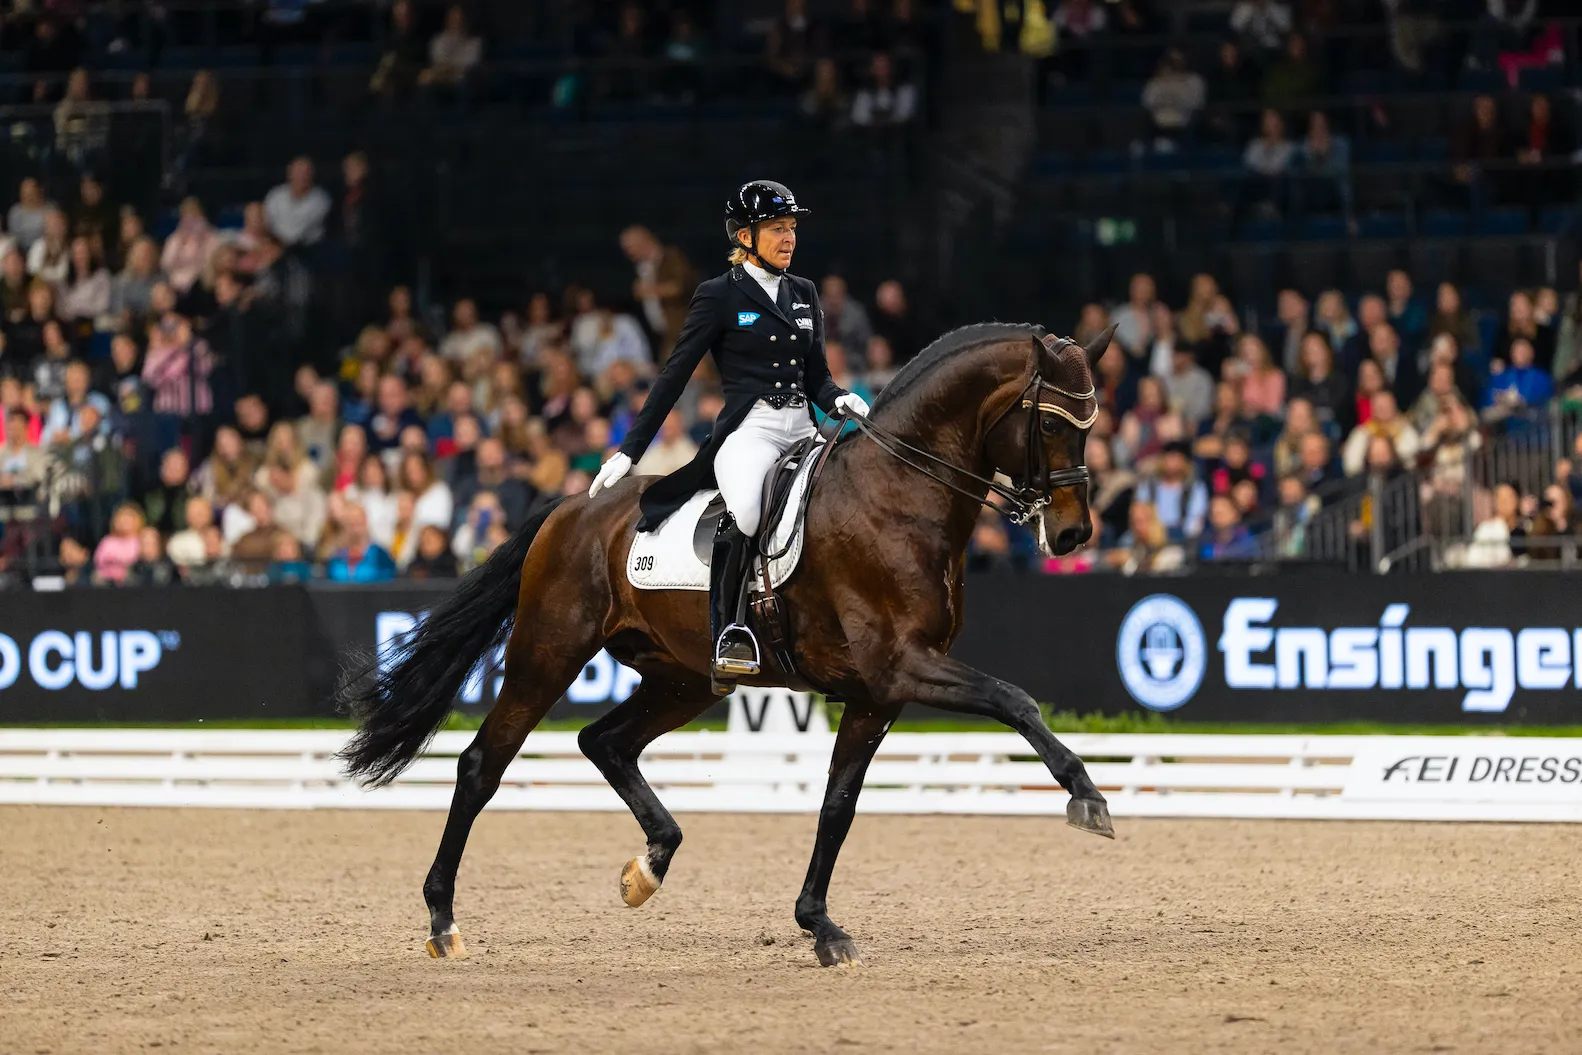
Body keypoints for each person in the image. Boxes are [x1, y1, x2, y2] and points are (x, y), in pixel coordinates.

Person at [588, 180, 867, 689]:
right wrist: (630, 451)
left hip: (804, 427)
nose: (789, 238)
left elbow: (817, 377)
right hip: (751, 432)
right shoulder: (718, 295)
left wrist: (838, 398)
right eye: (777, 229)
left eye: (792, 228)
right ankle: (730, 631)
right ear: (744, 235)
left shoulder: (803, 292)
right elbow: (674, 374)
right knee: (749, 511)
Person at [620, 224, 698, 363]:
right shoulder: (642, 267)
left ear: (644, 241)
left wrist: (651, 290)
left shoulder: (671, 257)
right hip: (662, 335)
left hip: (685, 329)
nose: (628, 253)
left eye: (630, 248)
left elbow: (680, 286)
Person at [263, 157, 331, 249]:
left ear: (312, 175)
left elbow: (296, 234)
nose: (302, 176)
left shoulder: (322, 199)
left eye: (306, 172)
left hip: (309, 250)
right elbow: (268, 223)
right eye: (298, 172)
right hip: (275, 247)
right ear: (289, 174)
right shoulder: (275, 194)